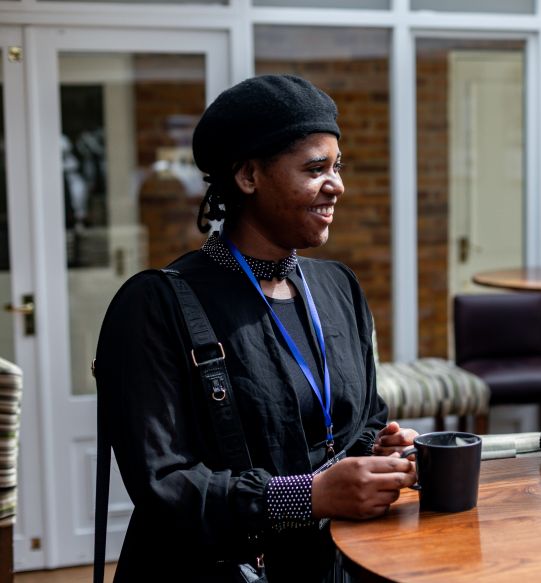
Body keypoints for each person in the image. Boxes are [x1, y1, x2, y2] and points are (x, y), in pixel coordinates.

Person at [94, 74, 418, 582]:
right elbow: (166, 485)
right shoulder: (156, 305)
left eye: (337, 167)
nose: (337, 185)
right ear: (248, 176)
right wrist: (308, 496)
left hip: (332, 565)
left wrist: (378, 455)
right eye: (316, 169)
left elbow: (365, 421)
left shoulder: (338, 287)